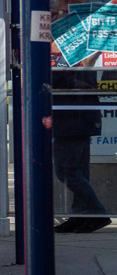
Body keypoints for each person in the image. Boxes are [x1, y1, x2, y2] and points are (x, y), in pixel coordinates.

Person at [52, 69, 112, 232]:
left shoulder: (69, 60)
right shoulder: (79, 60)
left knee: (66, 170)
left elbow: (58, 80)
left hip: (72, 119)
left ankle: (97, 212)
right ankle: (81, 216)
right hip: (79, 118)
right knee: (79, 171)